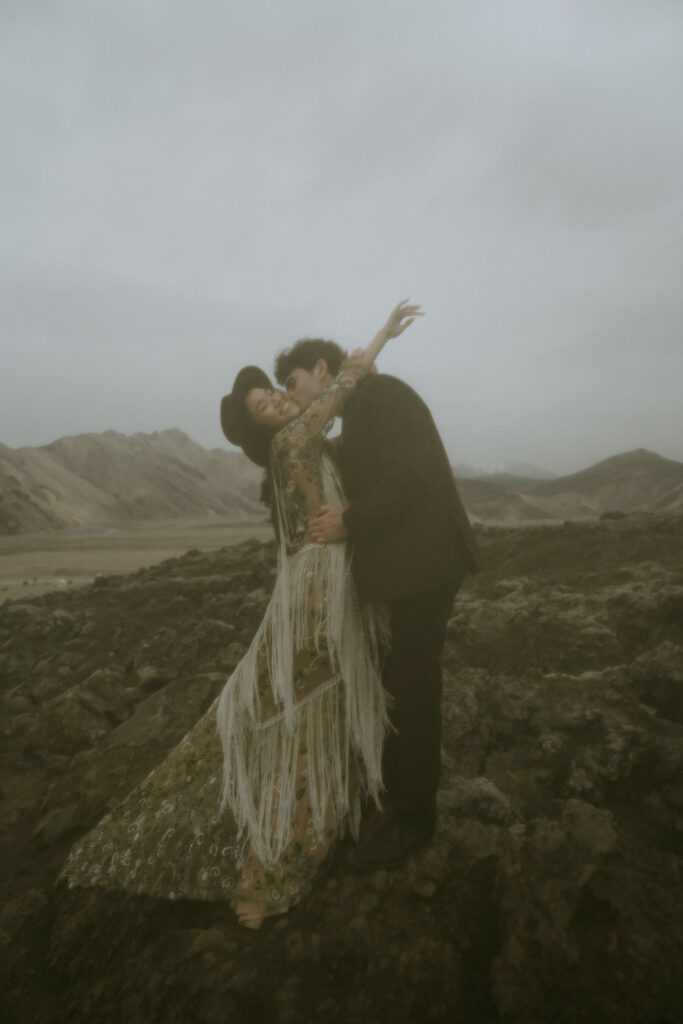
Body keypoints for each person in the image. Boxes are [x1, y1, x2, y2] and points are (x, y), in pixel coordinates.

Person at [58, 300, 420, 929]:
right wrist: (383, 335)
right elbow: (345, 382)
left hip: (326, 582)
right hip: (319, 593)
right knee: (310, 721)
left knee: (315, 716)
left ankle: (305, 836)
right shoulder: (293, 441)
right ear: (263, 430)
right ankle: (274, 865)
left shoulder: (303, 442)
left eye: (275, 394)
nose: (278, 402)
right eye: (263, 406)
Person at [274, 309, 482, 869]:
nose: (293, 396)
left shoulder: (382, 395)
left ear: (322, 369)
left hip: (427, 565)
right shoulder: (356, 414)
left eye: (293, 384)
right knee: (399, 682)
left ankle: (414, 820)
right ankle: (397, 800)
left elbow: (411, 473)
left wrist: (351, 520)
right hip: (408, 569)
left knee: (412, 685)